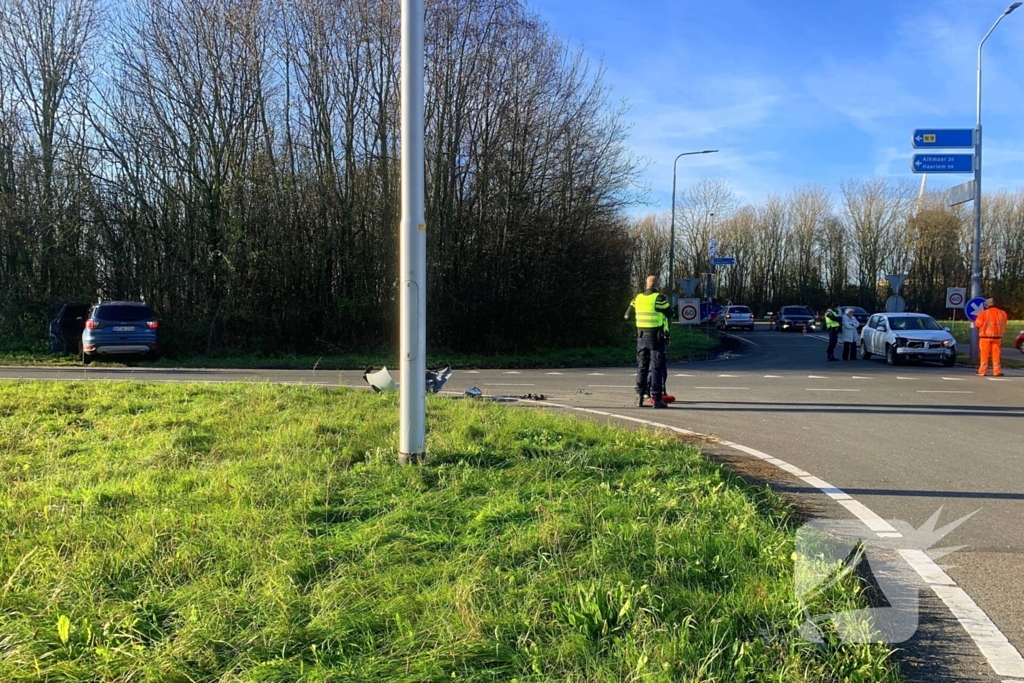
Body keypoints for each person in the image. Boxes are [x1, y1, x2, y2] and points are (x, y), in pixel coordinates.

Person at [624, 275, 671, 408]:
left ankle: (640, 397)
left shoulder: (637, 298)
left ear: (646, 285)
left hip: (641, 337)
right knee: (656, 367)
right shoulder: (659, 298)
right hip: (656, 337)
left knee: (642, 367)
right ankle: (656, 399)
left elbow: (626, 315)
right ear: (657, 285)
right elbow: (670, 313)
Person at [975, 297, 1008, 377]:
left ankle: (982, 371)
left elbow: (978, 324)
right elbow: (1005, 323)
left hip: (985, 337)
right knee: (996, 355)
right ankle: (997, 371)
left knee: (984, 354)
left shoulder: (983, 313)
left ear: (987, 305)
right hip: (997, 337)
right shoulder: (1002, 313)